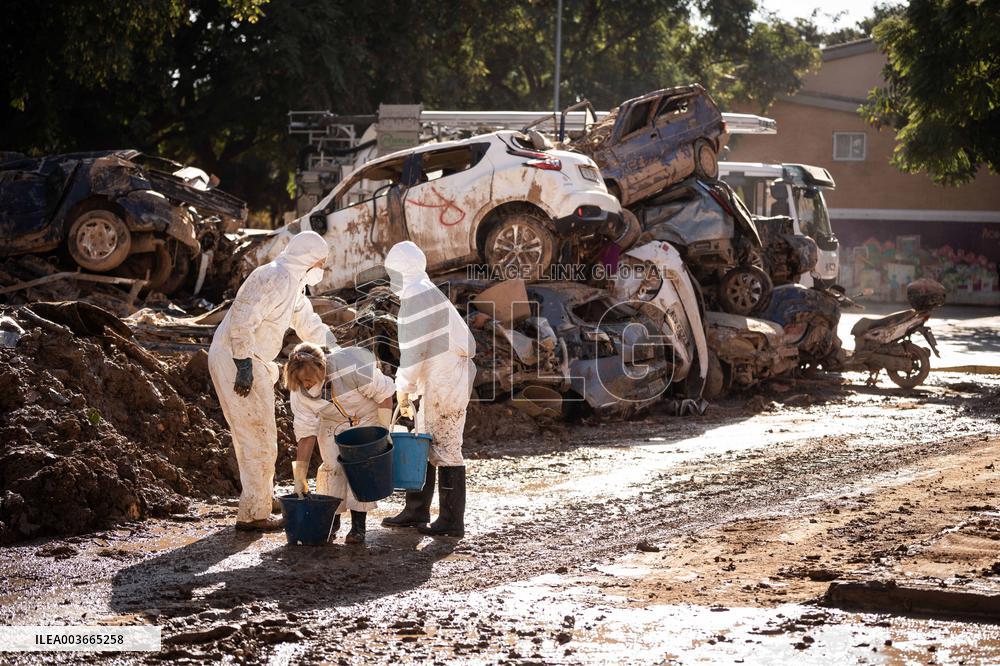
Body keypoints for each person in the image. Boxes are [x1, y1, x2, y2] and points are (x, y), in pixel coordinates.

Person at [208, 231, 338, 531]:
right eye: (320, 262)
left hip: (252, 360)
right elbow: (243, 316)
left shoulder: (294, 285)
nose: (322, 267)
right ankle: (254, 514)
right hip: (236, 359)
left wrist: (336, 346)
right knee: (258, 437)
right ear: (307, 259)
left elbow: (308, 323)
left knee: (259, 436)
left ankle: (260, 498)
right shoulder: (273, 276)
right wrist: (242, 363)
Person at [381, 241, 476, 538]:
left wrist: (403, 387)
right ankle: (417, 510)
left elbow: (413, 350)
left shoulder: (417, 294)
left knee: (445, 445)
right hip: (441, 376)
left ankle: (450, 520)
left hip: (445, 380)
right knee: (425, 442)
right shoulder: (424, 290)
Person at [284, 342, 394, 543]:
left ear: (321, 367)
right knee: (332, 468)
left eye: (308, 380)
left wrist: (383, 431)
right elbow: (306, 434)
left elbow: (384, 394)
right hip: (332, 422)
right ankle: (331, 522)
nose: (306, 386)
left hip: (366, 416)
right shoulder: (299, 393)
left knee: (360, 471)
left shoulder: (350, 364)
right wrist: (299, 476)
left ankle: (358, 527)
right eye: (302, 382)